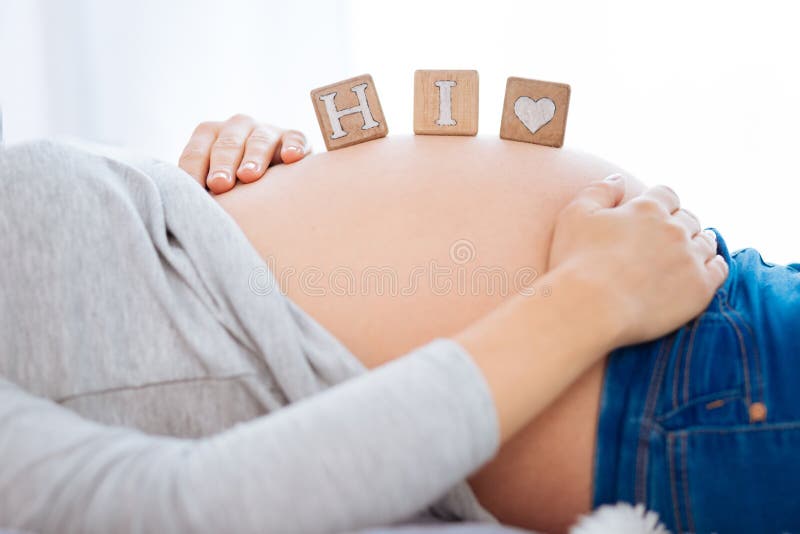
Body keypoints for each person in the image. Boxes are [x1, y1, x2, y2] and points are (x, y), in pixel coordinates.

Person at [0, 112, 785, 534]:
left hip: (706, 312)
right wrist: (588, 296)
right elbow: (181, 508)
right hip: (671, 395)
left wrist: (209, 187)